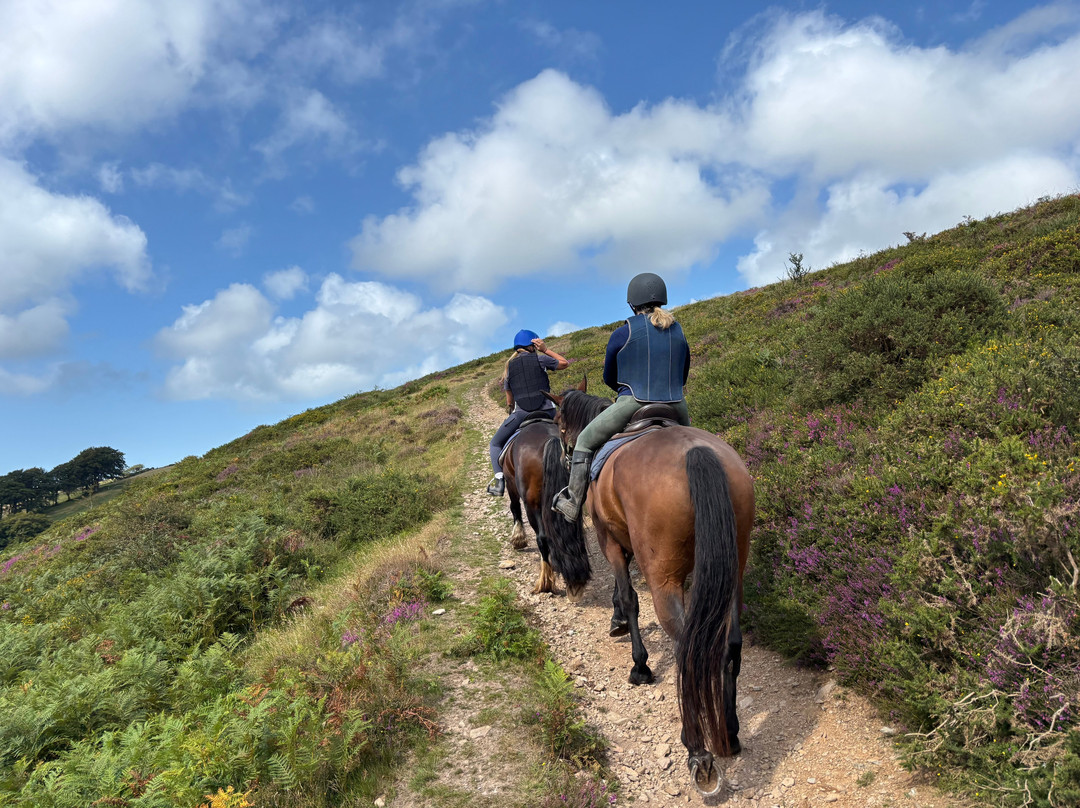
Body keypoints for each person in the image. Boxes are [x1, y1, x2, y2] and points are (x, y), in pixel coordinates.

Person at [553, 272, 690, 520]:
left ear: (632, 303)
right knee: (694, 443)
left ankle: (573, 502)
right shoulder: (678, 330)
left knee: (584, 441)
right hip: (676, 404)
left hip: (633, 402)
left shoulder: (623, 333)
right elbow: (683, 374)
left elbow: (609, 377)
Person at [487, 329, 569, 495]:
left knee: (494, 443)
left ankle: (499, 481)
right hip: (548, 411)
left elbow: (509, 401)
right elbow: (564, 363)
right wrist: (545, 349)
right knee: (572, 432)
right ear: (533, 345)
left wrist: (512, 410)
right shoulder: (541, 358)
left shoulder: (509, 368)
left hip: (522, 413)